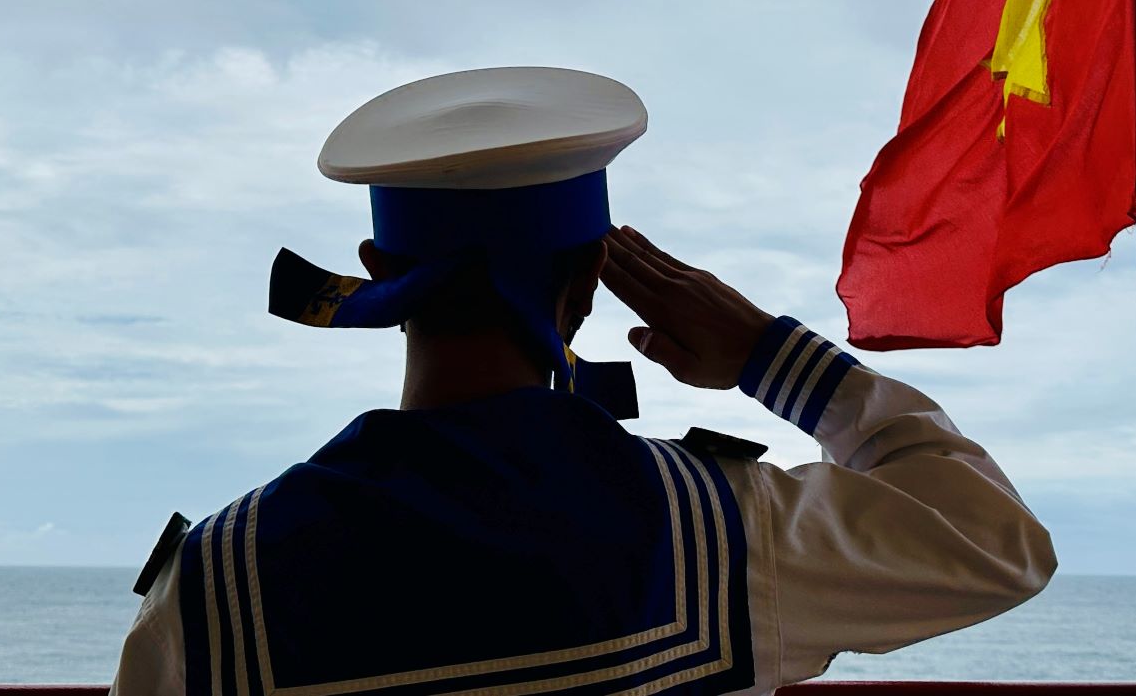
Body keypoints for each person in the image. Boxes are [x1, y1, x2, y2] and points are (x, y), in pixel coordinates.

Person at [112, 66, 1055, 696]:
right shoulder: (711, 536)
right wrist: (770, 355)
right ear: (584, 287)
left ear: (378, 267)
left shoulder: (212, 583)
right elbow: (993, 540)